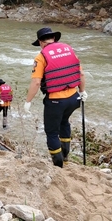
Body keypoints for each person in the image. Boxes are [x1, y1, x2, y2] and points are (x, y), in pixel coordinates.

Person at [24, 27, 87, 168]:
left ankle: (58, 166)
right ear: (54, 39)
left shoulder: (41, 57)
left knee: (52, 132)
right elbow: (81, 74)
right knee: (64, 122)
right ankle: (65, 158)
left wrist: (28, 101)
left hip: (56, 101)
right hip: (74, 98)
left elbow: (36, 82)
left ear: (40, 42)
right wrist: (82, 92)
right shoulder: (69, 50)